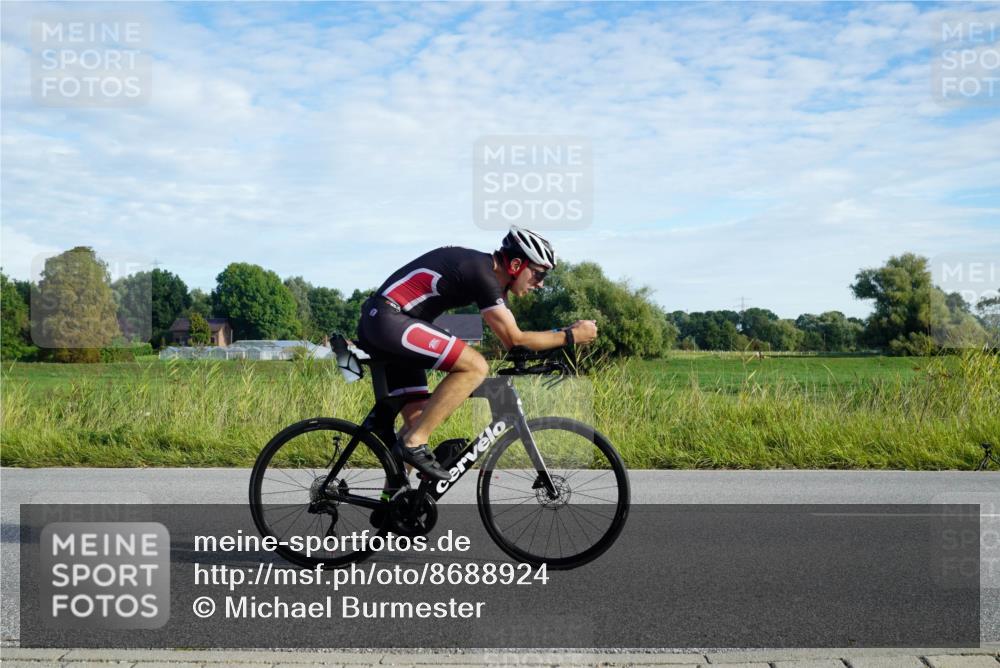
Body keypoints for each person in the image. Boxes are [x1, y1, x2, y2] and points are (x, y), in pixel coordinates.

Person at [357, 225, 597, 481]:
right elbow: (515, 339)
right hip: (388, 319)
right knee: (475, 366)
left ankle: (393, 502)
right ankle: (415, 444)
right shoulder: (482, 273)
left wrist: (558, 337)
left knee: (417, 419)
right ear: (516, 264)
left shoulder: (489, 278)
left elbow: (514, 343)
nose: (540, 284)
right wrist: (570, 336)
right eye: (538, 274)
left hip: (389, 323)